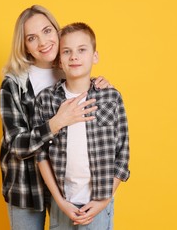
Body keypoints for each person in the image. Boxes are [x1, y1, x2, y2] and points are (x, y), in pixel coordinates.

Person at [0, 5, 111, 230]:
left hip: (68, 186)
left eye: (47, 31)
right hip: (27, 186)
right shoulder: (14, 84)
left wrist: (101, 87)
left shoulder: (72, 69)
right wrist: (56, 122)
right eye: (32, 38)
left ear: (57, 32)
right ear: (25, 46)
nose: (42, 42)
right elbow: (16, 146)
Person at [34, 22, 130, 229]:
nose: (74, 57)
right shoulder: (46, 100)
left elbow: (122, 155)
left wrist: (103, 201)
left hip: (99, 203)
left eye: (82, 50)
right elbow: (40, 154)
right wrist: (60, 201)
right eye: (67, 51)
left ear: (95, 56)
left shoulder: (111, 98)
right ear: (60, 60)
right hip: (62, 204)